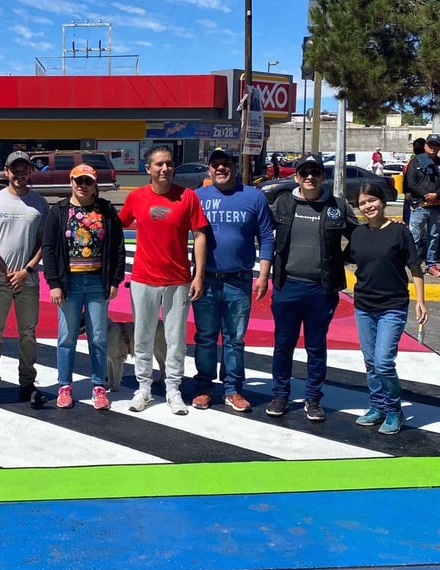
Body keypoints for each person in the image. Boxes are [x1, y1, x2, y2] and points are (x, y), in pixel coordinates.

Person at [266, 153, 358, 421]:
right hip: (287, 287)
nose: (309, 177)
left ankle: (313, 399)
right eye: (304, 173)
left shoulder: (337, 207)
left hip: (321, 290)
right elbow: (260, 228)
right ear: (296, 177)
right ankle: (280, 394)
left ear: (322, 176)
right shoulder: (283, 204)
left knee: (316, 346)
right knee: (283, 344)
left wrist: (342, 259)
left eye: (314, 172)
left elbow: (361, 236)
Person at [118, 146, 208, 415]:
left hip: (178, 280)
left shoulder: (188, 197)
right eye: (158, 164)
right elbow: (116, 225)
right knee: (142, 337)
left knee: (175, 339)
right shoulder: (136, 197)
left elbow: (200, 236)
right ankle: (143, 388)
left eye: (168, 164)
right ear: (148, 169)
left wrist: (198, 274)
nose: (164, 169)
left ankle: (173, 389)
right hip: (143, 279)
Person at [191, 148, 274, 413]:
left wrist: (263, 275)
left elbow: (267, 237)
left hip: (239, 280)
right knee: (205, 337)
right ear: (209, 169)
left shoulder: (253, 197)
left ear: (234, 167)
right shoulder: (197, 197)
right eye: (215, 164)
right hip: (206, 281)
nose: (220, 169)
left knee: (235, 339)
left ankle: (232, 389)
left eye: (225, 164)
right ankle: (204, 387)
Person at [42, 164, 126, 411]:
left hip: (97, 283)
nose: (83, 186)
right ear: (71, 181)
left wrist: (115, 280)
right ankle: (65, 386)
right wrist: (54, 283)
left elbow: (118, 248)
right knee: (66, 337)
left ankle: (99, 385)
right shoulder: (58, 211)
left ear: (95, 184)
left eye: (88, 181)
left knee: (98, 336)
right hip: (70, 284)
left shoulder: (106, 210)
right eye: (78, 181)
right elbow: (49, 248)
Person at [349, 183, 428, 435]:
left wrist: (421, 301)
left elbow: (415, 267)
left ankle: (394, 410)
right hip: (363, 305)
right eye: (362, 203)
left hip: (392, 306)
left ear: (382, 202)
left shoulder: (399, 232)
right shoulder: (358, 234)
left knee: (383, 362)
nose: (368, 206)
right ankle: (377, 406)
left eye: (372, 200)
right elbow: (339, 258)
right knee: (371, 362)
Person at [0, 151, 50, 408]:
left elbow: (43, 243)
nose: (19, 174)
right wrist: (5, 272)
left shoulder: (39, 203)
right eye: (14, 169)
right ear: (6, 172)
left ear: (30, 172)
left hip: (27, 281)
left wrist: (26, 270)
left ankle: (27, 383)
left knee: (28, 334)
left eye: (24, 169)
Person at [404, 133, 440, 278]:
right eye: (430, 144)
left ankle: (431, 264)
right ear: (425, 146)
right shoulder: (416, 162)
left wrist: (436, 195)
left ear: (439, 147)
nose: (433, 147)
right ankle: (413, 264)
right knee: (415, 236)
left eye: (436, 145)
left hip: (437, 206)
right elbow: (411, 183)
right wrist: (427, 195)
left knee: (434, 236)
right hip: (419, 205)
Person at [401, 138, 426, 225]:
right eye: (415, 147)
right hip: (411, 194)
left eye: (419, 147)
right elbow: (407, 178)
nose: (416, 149)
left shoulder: (426, 161)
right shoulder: (412, 161)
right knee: (408, 218)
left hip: (421, 195)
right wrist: (407, 191)